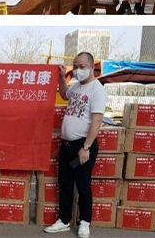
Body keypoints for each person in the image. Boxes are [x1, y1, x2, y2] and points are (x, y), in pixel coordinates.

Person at [45, 52, 107, 238]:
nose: (78, 70)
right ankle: (64, 220)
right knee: (65, 183)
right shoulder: (77, 87)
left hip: (83, 146)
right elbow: (64, 95)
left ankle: (85, 222)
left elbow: (97, 120)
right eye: (75, 66)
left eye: (82, 66)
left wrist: (86, 147)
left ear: (91, 67)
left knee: (83, 185)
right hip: (67, 146)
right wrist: (61, 77)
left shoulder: (97, 90)